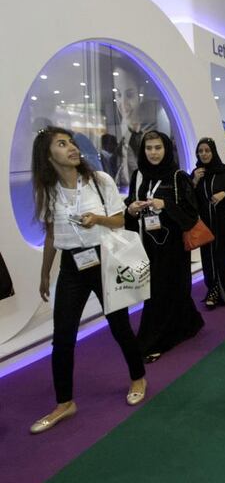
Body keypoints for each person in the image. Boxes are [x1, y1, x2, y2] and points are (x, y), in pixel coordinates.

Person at [30, 126, 146, 434]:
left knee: (119, 325)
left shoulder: (99, 180)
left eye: (71, 142)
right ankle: (64, 402)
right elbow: (52, 235)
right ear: (47, 154)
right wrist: (44, 273)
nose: (71, 147)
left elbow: (122, 220)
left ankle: (138, 376)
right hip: (72, 265)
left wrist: (98, 220)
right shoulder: (48, 190)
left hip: (103, 257)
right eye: (62, 144)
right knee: (63, 336)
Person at [125, 131, 204, 363]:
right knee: (162, 290)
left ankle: (154, 340)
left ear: (166, 149)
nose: (153, 153)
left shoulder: (178, 176)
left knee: (164, 290)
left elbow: (191, 215)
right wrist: (131, 208)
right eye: (149, 148)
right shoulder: (138, 175)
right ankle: (189, 322)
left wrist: (165, 204)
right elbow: (129, 203)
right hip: (146, 243)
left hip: (172, 246)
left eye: (158, 147)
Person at [192, 138, 225, 308]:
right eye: (200, 151)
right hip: (205, 224)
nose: (204, 154)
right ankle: (212, 287)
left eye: (207, 150)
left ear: (213, 152)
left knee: (224, 255)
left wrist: (224, 194)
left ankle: (222, 287)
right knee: (208, 256)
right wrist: (194, 182)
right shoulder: (197, 174)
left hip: (224, 223)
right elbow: (188, 199)